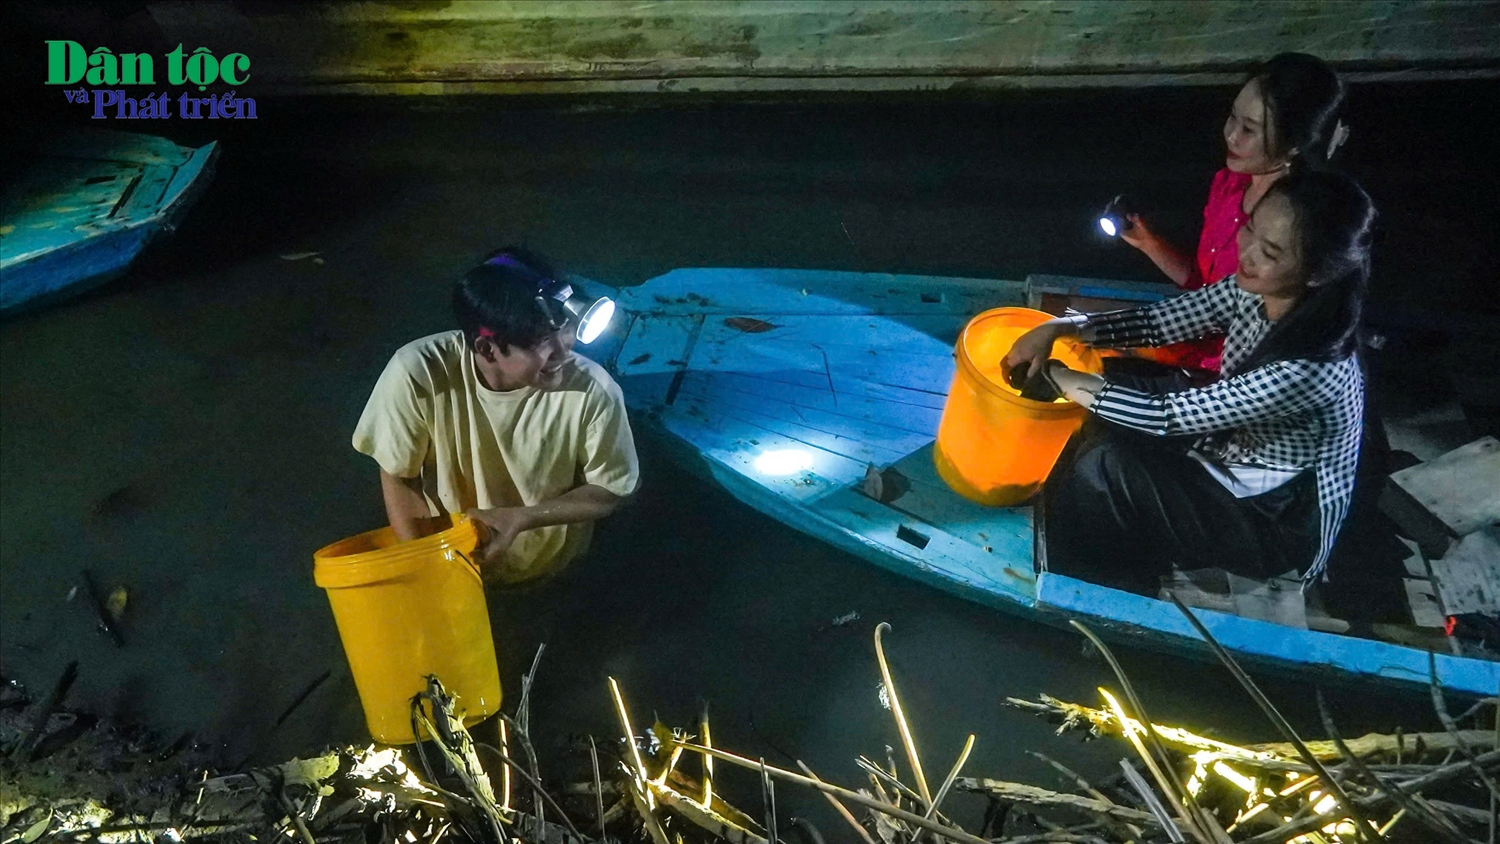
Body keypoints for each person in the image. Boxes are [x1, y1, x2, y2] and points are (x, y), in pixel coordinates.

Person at [1006, 169, 1374, 595]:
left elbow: (1163, 416)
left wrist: (1056, 374)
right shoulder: (1259, 287)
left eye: (1270, 252)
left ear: (1315, 275)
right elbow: (1162, 320)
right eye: (1250, 229)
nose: (1247, 254)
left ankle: (1100, 595)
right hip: (1230, 440)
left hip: (1271, 516)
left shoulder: (1310, 367)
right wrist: (1061, 329)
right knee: (1105, 401)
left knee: (1104, 466)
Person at [352, 247, 639, 584]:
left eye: (567, 328)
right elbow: (400, 475)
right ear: (486, 348)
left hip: (547, 565)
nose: (564, 349)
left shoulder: (594, 392)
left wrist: (523, 517)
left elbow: (611, 490)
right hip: (456, 564)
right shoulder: (417, 373)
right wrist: (432, 568)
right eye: (543, 341)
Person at [1120, 52, 1348, 372]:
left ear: (1294, 143)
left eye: (1250, 130)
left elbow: (1250, 332)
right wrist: (1149, 243)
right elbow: (1206, 288)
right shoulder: (1228, 185)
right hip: (1193, 348)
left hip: (1234, 374)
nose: (1231, 135)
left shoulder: (1296, 225)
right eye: (1233, 118)